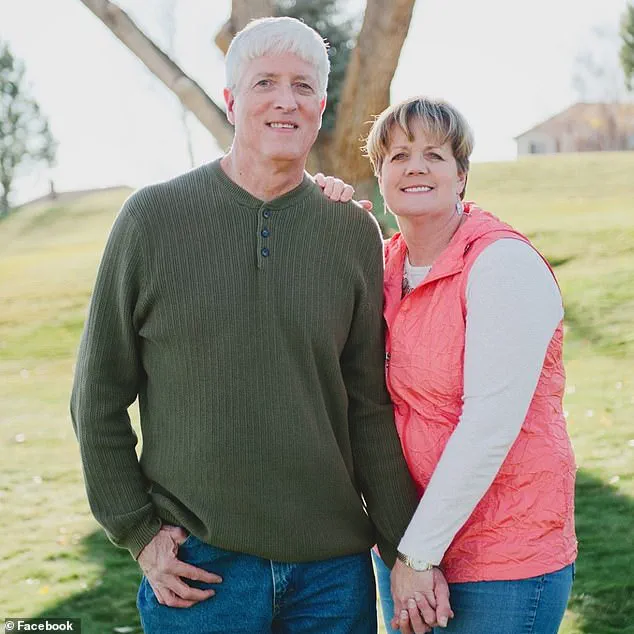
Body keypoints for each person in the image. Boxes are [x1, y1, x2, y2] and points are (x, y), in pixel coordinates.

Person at [70, 17, 423, 634]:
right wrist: (139, 532)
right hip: (200, 574)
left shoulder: (351, 232)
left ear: (320, 107)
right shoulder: (151, 221)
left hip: (332, 579)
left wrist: (406, 553)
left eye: (303, 86)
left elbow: (369, 407)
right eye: (266, 83)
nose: (286, 100)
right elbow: (96, 396)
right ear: (232, 102)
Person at [361, 96, 577, 633]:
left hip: (502, 558)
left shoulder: (502, 264)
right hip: (407, 547)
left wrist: (417, 557)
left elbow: (488, 426)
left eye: (434, 155)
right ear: (380, 177)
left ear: (461, 176)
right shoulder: (382, 266)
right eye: (398, 156)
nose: (415, 167)